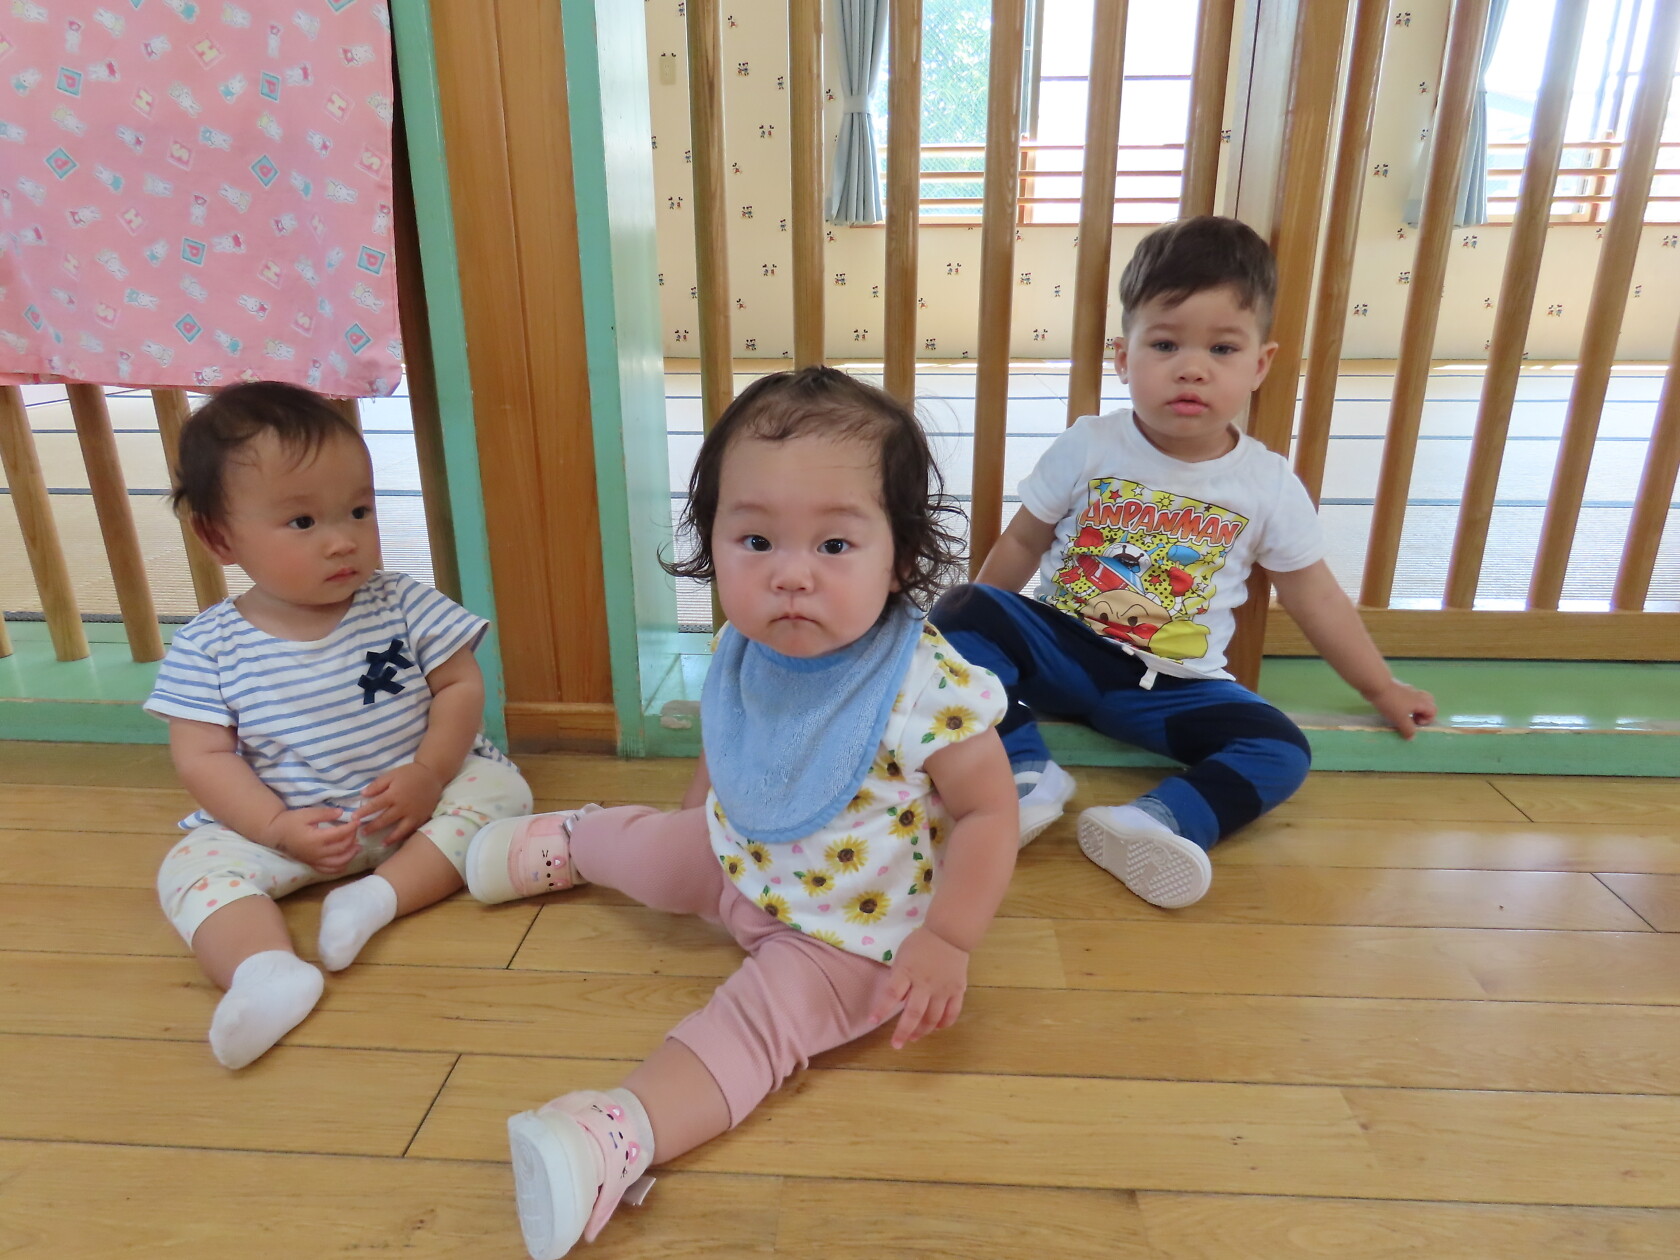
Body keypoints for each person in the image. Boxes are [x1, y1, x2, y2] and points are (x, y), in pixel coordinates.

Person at [463, 368, 1016, 1260]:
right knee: (656, 852)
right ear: (712, 542)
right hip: (737, 856)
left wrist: (948, 939)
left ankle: (616, 1135)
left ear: (900, 557)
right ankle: (577, 837)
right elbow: (732, 740)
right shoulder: (745, 640)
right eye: (755, 539)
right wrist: (689, 829)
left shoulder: (923, 685)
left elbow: (989, 812)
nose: (790, 575)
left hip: (847, 934)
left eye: (834, 545)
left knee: (758, 1026)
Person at [932, 216, 1436, 909]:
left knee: (1282, 749)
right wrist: (963, 657)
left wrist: (1381, 688)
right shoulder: (1090, 445)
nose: (1192, 368)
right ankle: (1021, 771)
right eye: (1165, 344)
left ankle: (1156, 821)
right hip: (1067, 653)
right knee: (963, 606)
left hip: (1173, 688)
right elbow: (1021, 542)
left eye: (1223, 348)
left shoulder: (1265, 484)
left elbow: (1315, 595)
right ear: (1123, 356)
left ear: (1260, 364)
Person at [146, 381, 531, 1070]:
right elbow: (203, 758)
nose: (342, 540)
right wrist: (274, 826)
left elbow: (459, 686)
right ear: (218, 537)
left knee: (502, 793)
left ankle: (377, 898)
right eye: (303, 522)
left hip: (412, 806)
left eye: (359, 510)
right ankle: (264, 971)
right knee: (190, 868)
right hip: (291, 826)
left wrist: (428, 774)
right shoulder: (208, 646)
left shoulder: (401, 601)